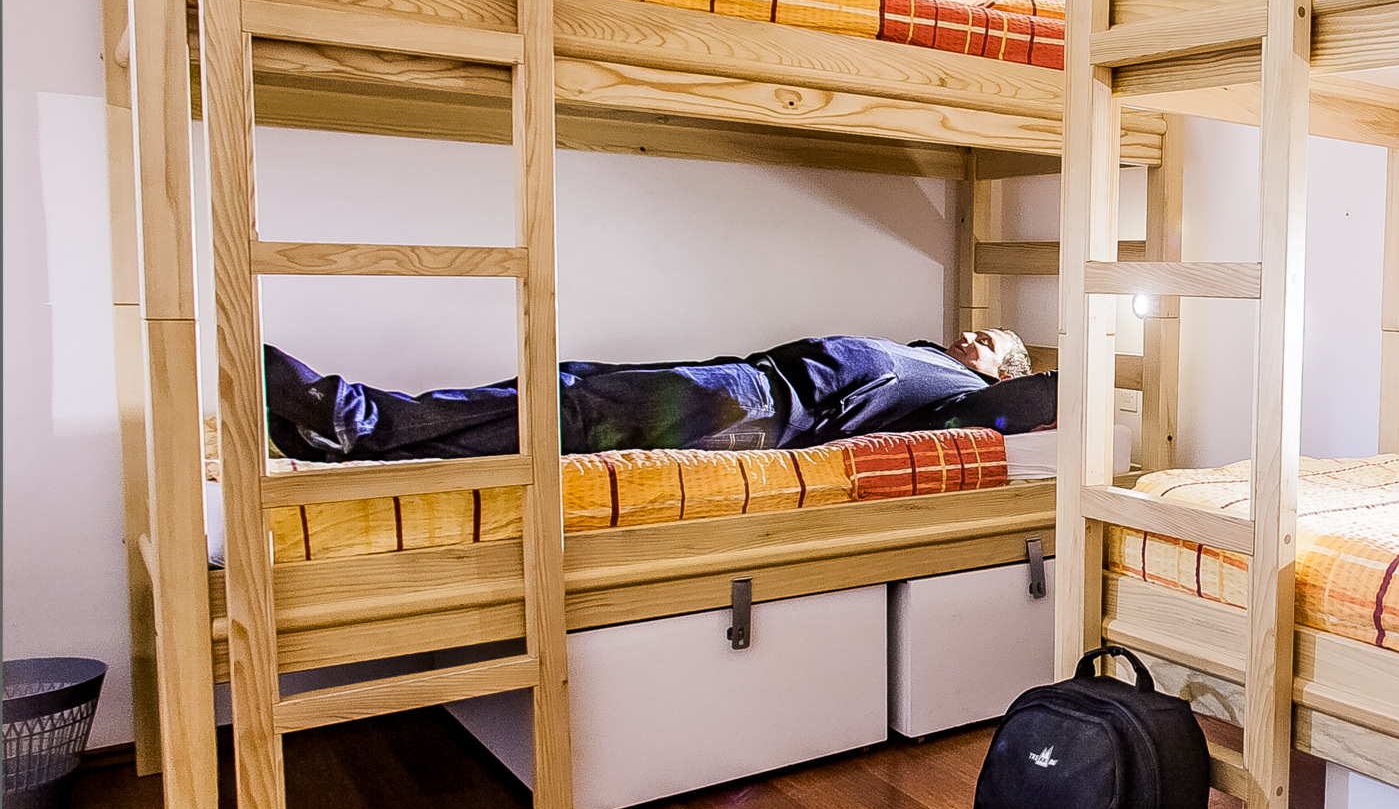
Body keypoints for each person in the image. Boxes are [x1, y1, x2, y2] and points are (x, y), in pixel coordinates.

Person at [262, 327, 1049, 462]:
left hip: (764, 409)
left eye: (988, 340)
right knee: (568, 384)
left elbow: (1033, 406)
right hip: (747, 380)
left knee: (577, 411)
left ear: (1002, 370)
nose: (969, 334)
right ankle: (354, 436)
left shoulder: (964, 396)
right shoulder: (923, 355)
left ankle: (354, 415)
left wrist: (1053, 381)